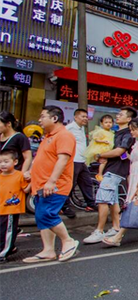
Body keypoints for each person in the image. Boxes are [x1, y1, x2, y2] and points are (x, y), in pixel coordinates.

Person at [23, 106, 79, 263]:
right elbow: (41, 159)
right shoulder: (48, 136)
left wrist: (51, 181)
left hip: (55, 185)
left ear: (54, 118)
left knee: (46, 214)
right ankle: (48, 250)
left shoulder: (64, 135)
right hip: (41, 184)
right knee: (41, 215)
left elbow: (63, 160)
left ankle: (68, 240)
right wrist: (31, 174)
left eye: (43, 117)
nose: (40, 120)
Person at [103, 117, 138, 246]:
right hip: (136, 173)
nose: (132, 132)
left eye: (133, 130)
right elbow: (135, 159)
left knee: (134, 203)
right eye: (130, 130)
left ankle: (118, 236)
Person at [83, 107, 136, 244]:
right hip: (111, 168)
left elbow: (119, 152)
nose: (117, 116)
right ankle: (116, 227)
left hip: (116, 169)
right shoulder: (115, 133)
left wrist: (99, 155)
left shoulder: (127, 134)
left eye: (121, 114)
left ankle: (99, 231)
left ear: (129, 119)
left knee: (103, 199)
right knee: (113, 201)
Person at [62, 108, 97, 217]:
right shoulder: (69, 128)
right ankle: (64, 206)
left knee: (87, 182)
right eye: (83, 116)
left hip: (82, 160)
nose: (85, 119)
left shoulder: (81, 128)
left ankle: (90, 203)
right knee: (70, 184)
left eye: (86, 117)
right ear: (75, 117)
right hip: (73, 160)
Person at [0, 150, 30, 261]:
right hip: (1, 208)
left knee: (7, 232)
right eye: (0, 162)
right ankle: (10, 247)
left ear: (15, 162)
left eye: (6, 161)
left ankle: (2, 253)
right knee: (2, 231)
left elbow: (26, 189)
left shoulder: (19, 175)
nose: (2, 164)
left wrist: (31, 181)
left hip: (11, 209)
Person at [0, 111, 32, 178]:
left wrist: (21, 175)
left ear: (8, 123)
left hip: (13, 175)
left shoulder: (20, 137)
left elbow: (28, 158)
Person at [84, 115, 114, 180]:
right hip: (101, 148)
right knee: (104, 161)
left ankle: (102, 173)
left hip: (107, 149)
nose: (108, 124)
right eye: (106, 122)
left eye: (110, 122)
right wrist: (103, 141)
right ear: (102, 124)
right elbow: (95, 139)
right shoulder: (100, 131)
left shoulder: (112, 132)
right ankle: (99, 174)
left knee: (106, 162)